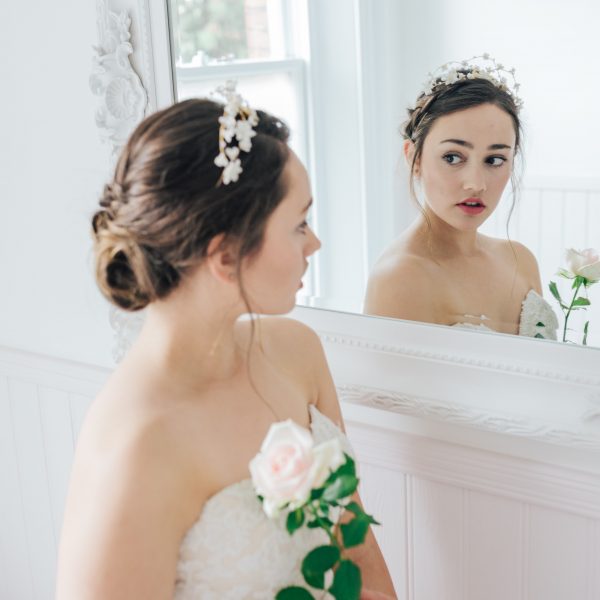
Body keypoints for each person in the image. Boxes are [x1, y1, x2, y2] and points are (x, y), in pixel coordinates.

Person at [56, 84, 396, 599]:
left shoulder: (298, 352)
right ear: (224, 255)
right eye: (299, 223)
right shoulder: (137, 445)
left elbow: (357, 547)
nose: (315, 243)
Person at [364, 56, 558, 339]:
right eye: (452, 157)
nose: (475, 184)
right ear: (413, 158)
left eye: (494, 160)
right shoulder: (401, 278)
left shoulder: (521, 260)